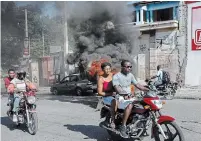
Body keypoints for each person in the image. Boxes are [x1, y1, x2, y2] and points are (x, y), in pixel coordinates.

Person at [112, 60, 149, 138]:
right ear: (122, 67)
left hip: (129, 96)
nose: (129, 68)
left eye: (130, 67)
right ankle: (123, 126)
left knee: (144, 104)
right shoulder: (116, 76)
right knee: (130, 104)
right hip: (121, 97)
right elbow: (117, 88)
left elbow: (138, 85)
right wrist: (124, 94)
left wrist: (148, 89)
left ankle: (140, 124)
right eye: (127, 67)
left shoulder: (130, 75)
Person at [97, 62, 117, 129]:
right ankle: (113, 122)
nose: (108, 70)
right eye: (106, 69)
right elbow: (99, 92)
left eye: (109, 68)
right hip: (106, 96)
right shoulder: (101, 79)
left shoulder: (114, 75)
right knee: (114, 102)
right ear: (103, 70)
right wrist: (110, 94)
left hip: (116, 95)